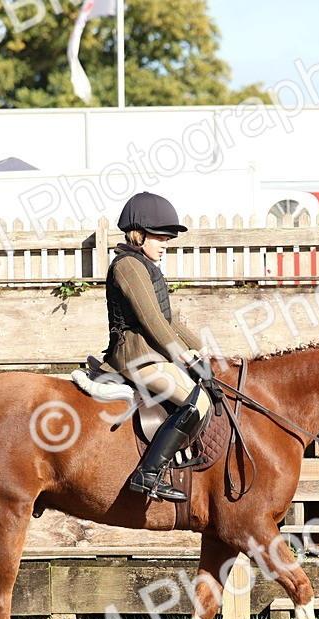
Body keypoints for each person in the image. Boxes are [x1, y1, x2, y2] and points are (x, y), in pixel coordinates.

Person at [103, 191, 212, 503]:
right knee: (198, 403)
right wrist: (180, 353)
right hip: (136, 356)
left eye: (167, 239)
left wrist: (200, 349)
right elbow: (149, 318)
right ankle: (148, 475)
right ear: (140, 235)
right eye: (160, 237)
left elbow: (168, 319)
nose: (165, 244)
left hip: (152, 354)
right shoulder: (128, 265)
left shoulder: (146, 266)